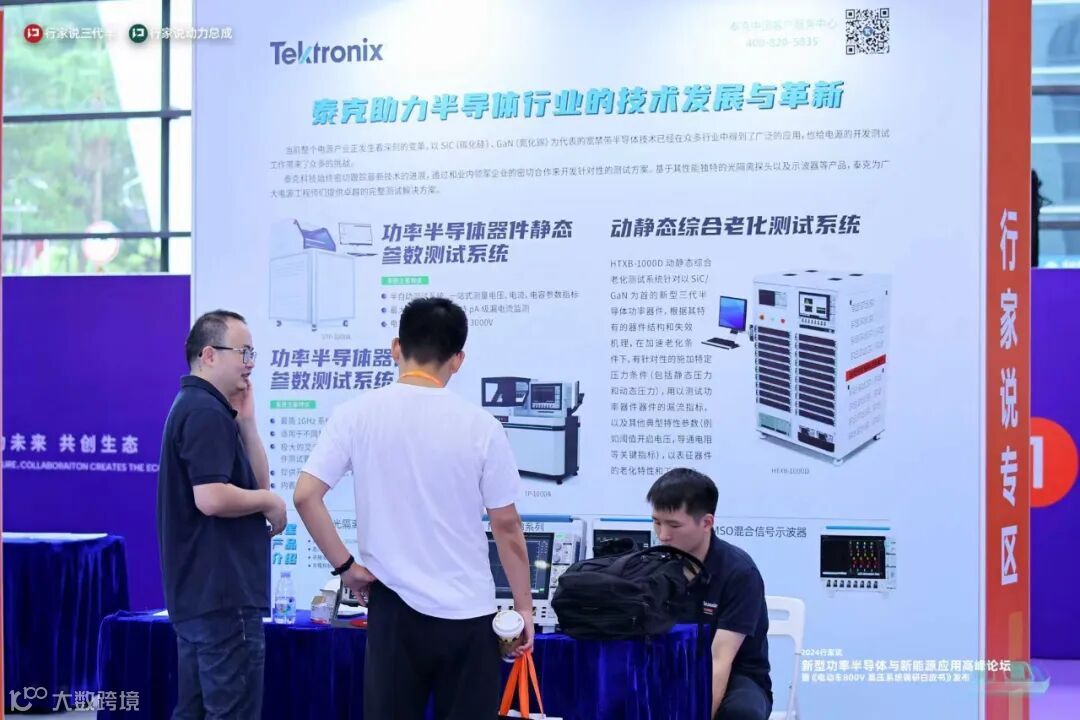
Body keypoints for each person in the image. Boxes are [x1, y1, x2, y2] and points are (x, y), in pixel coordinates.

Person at [294, 296, 535, 720]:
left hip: (394, 611)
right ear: (458, 359)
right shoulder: (482, 427)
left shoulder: (355, 415)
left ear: (396, 347)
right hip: (469, 613)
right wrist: (524, 608)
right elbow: (507, 526)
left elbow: (305, 496)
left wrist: (346, 567)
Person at [156, 310, 286, 720]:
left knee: (196, 712)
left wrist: (247, 423)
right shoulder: (204, 411)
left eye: (252, 353)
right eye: (243, 352)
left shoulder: (204, 407)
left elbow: (256, 482)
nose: (250, 363)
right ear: (209, 355)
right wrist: (270, 503)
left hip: (205, 598)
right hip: (224, 597)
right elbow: (211, 498)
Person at [647, 468, 772, 720]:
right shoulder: (653, 567)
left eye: (674, 525)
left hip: (735, 673)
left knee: (741, 713)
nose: (663, 535)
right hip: (670, 667)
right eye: (657, 522)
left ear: (706, 523)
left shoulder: (739, 572)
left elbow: (719, 659)